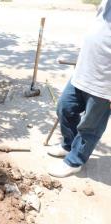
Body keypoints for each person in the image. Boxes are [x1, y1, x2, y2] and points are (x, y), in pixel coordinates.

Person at [48, 0, 111, 178]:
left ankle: (75, 161)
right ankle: (68, 145)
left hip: (105, 84)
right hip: (84, 72)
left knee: (89, 127)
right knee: (64, 108)